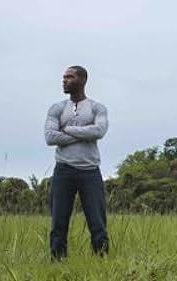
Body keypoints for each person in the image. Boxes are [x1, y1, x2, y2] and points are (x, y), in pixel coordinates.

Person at [44, 65, 109, 260]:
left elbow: (99, 131)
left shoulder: (97, 107)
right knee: (58, 223)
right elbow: (49, 137)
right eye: (64, 77)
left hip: (90, 171)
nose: (64, 80)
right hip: (63, 171)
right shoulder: (57, 108)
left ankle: (102, 261)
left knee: (97, 222)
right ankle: (57, 262)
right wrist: (84, 134)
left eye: (69, 77)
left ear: (82, 80)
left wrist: (67, 130)